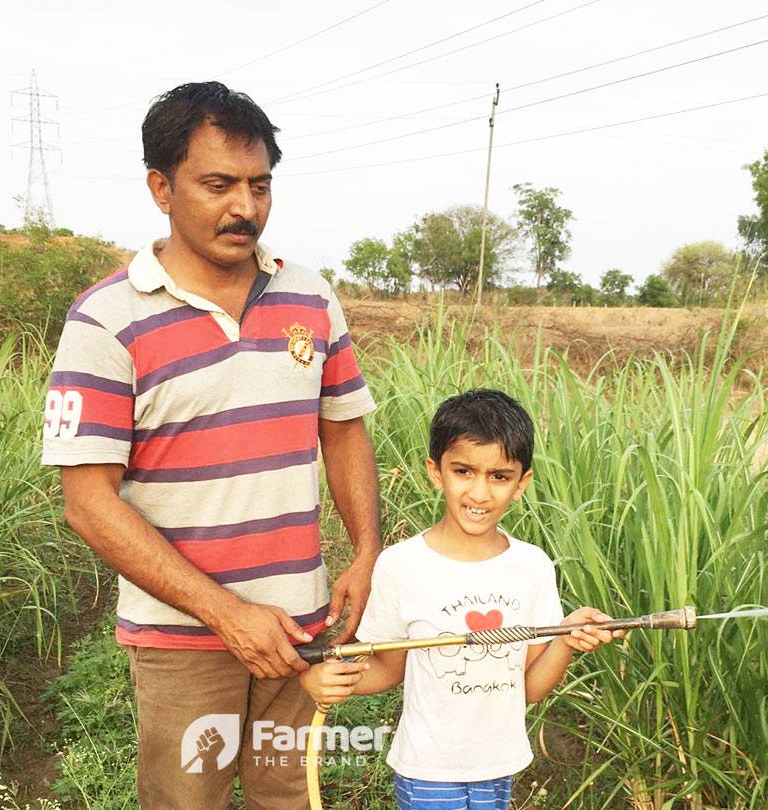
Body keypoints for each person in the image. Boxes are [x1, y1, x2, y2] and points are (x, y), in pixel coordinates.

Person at [41, 81, 381, 809]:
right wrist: (227, 614)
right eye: (219, 185)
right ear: (161, 188)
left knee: (290, 796)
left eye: (260, 185)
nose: (245, 208)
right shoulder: (105, 321)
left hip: (301, 626)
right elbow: (87, 504)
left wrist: (366, 549)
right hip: (183, 644)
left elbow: (344, 428)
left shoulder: (311, 297)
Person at [300, 389, 622, 809]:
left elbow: (529, 688)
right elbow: (385, 668)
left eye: (499, 476)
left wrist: (566, 638)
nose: (480, 494)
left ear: (522, 483)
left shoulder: (533, 566)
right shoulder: (401, 565)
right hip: (428, 771)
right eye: (464, 471)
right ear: (436, 472)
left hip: (499, 766)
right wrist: (324, 679)